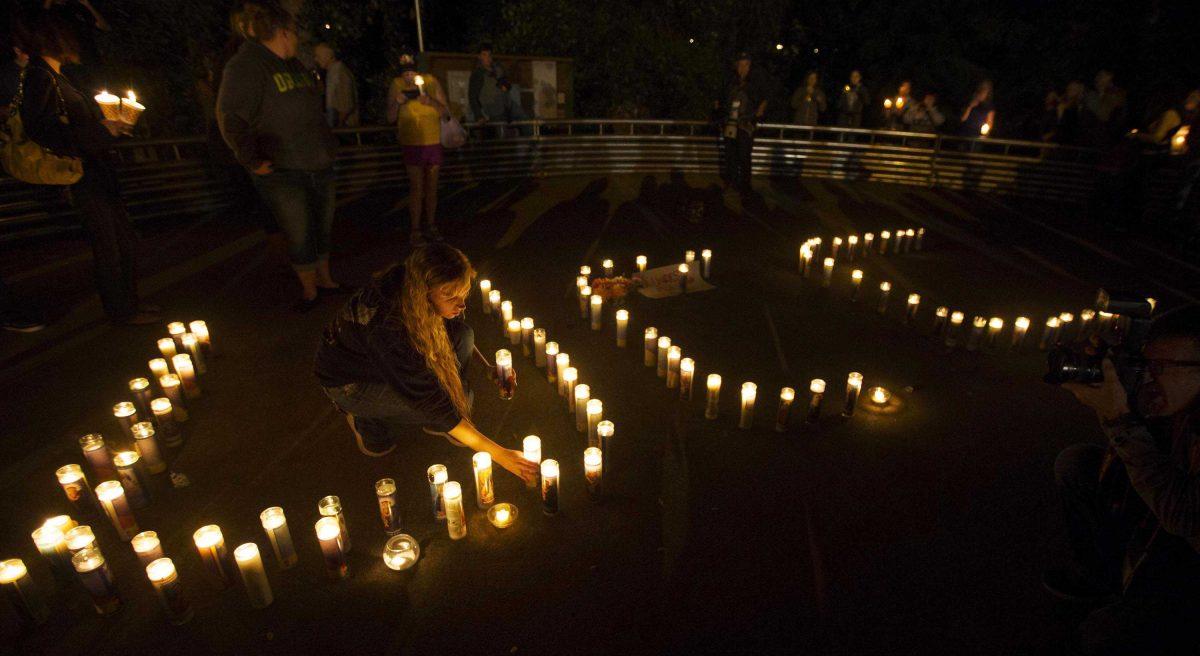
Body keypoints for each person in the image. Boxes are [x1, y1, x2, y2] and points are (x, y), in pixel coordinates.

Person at [315, 244, 539, 485]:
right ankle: (366, 421)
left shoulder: (411, 283)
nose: (461, 304)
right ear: (423, 292)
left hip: (383, 362)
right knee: (446, 404)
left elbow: (448, 332)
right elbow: (430, 400)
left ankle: (443, 421)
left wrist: (487, 368)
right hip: (353, 382)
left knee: (463, 336)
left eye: (462, 293)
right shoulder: (388, 328)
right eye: (450, 296)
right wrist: (501, 455)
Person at [1048, 306, 1200, 654]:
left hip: (1190, 544)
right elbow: (1135, 457)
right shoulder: (1179, 399)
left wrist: (1119, 418)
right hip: (1165, 525)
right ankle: (1104, 581)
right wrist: (1112, 371)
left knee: (1104, 635)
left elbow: (1184, 517)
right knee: (1078, 464)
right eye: (1144, 364)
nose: (1148, 376)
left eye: (1160, 367)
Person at [15, 9, 160, 325]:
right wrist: (100, 131)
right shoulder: (41, 76)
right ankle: (121, 312)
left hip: (96, 171)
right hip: (82, 176)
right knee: (109, 246)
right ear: (56, 38)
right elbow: (42, 128)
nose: (77, 41)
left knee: (122, 240)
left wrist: (110, 128)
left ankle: (130, 304)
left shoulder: (56, 76)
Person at [217, 1, 343, 312]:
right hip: (283, 167)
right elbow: (230, 117)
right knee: (299, 231)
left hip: (318, 162)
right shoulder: (246, 65)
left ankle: (325, 279)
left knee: (322, 226)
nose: (298, 40)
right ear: (283, 33)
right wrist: (251, 160)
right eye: (294, 33)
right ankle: (309, 290)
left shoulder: (294, 65)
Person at [387, 50, 451, 245]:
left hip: (432, 140)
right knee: (416, 188)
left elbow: (446, 112)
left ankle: (431, 225)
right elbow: (389, 117)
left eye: (411, 72)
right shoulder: (396, 85)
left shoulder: (430, 82)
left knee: (432, 187)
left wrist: (430, 101)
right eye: (404, 73)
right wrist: (397, 103)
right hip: (411, 142)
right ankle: (415, 229)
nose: (408, 77)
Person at [715, 52, 767, 192]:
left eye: (745, 65)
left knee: (744, 155)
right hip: (730, 123)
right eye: (740, 64)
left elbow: (763, 100)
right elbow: (721, 99)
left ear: (749, 66)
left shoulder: (755, 83)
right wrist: (720, 111)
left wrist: (758, 112)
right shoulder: (730, 81)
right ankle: (729, 181)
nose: (742, 68)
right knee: (730, 154)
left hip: (746, 124)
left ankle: (745, 184)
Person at [313, 42, 358, 128]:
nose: (316, 59)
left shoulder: (338, 73)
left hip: (345, 129)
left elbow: (347, 105)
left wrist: (336, 127)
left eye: (318, 56)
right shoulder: (333, 72)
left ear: (328, 55)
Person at [1083, 70, 1128, 149]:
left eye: (1102, 77)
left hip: (1108, 141)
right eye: (1098, 76)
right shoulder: (1091, 95)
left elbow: (1104, 115)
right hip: (1090, 139)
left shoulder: (1116, 96)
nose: (1097, 79)